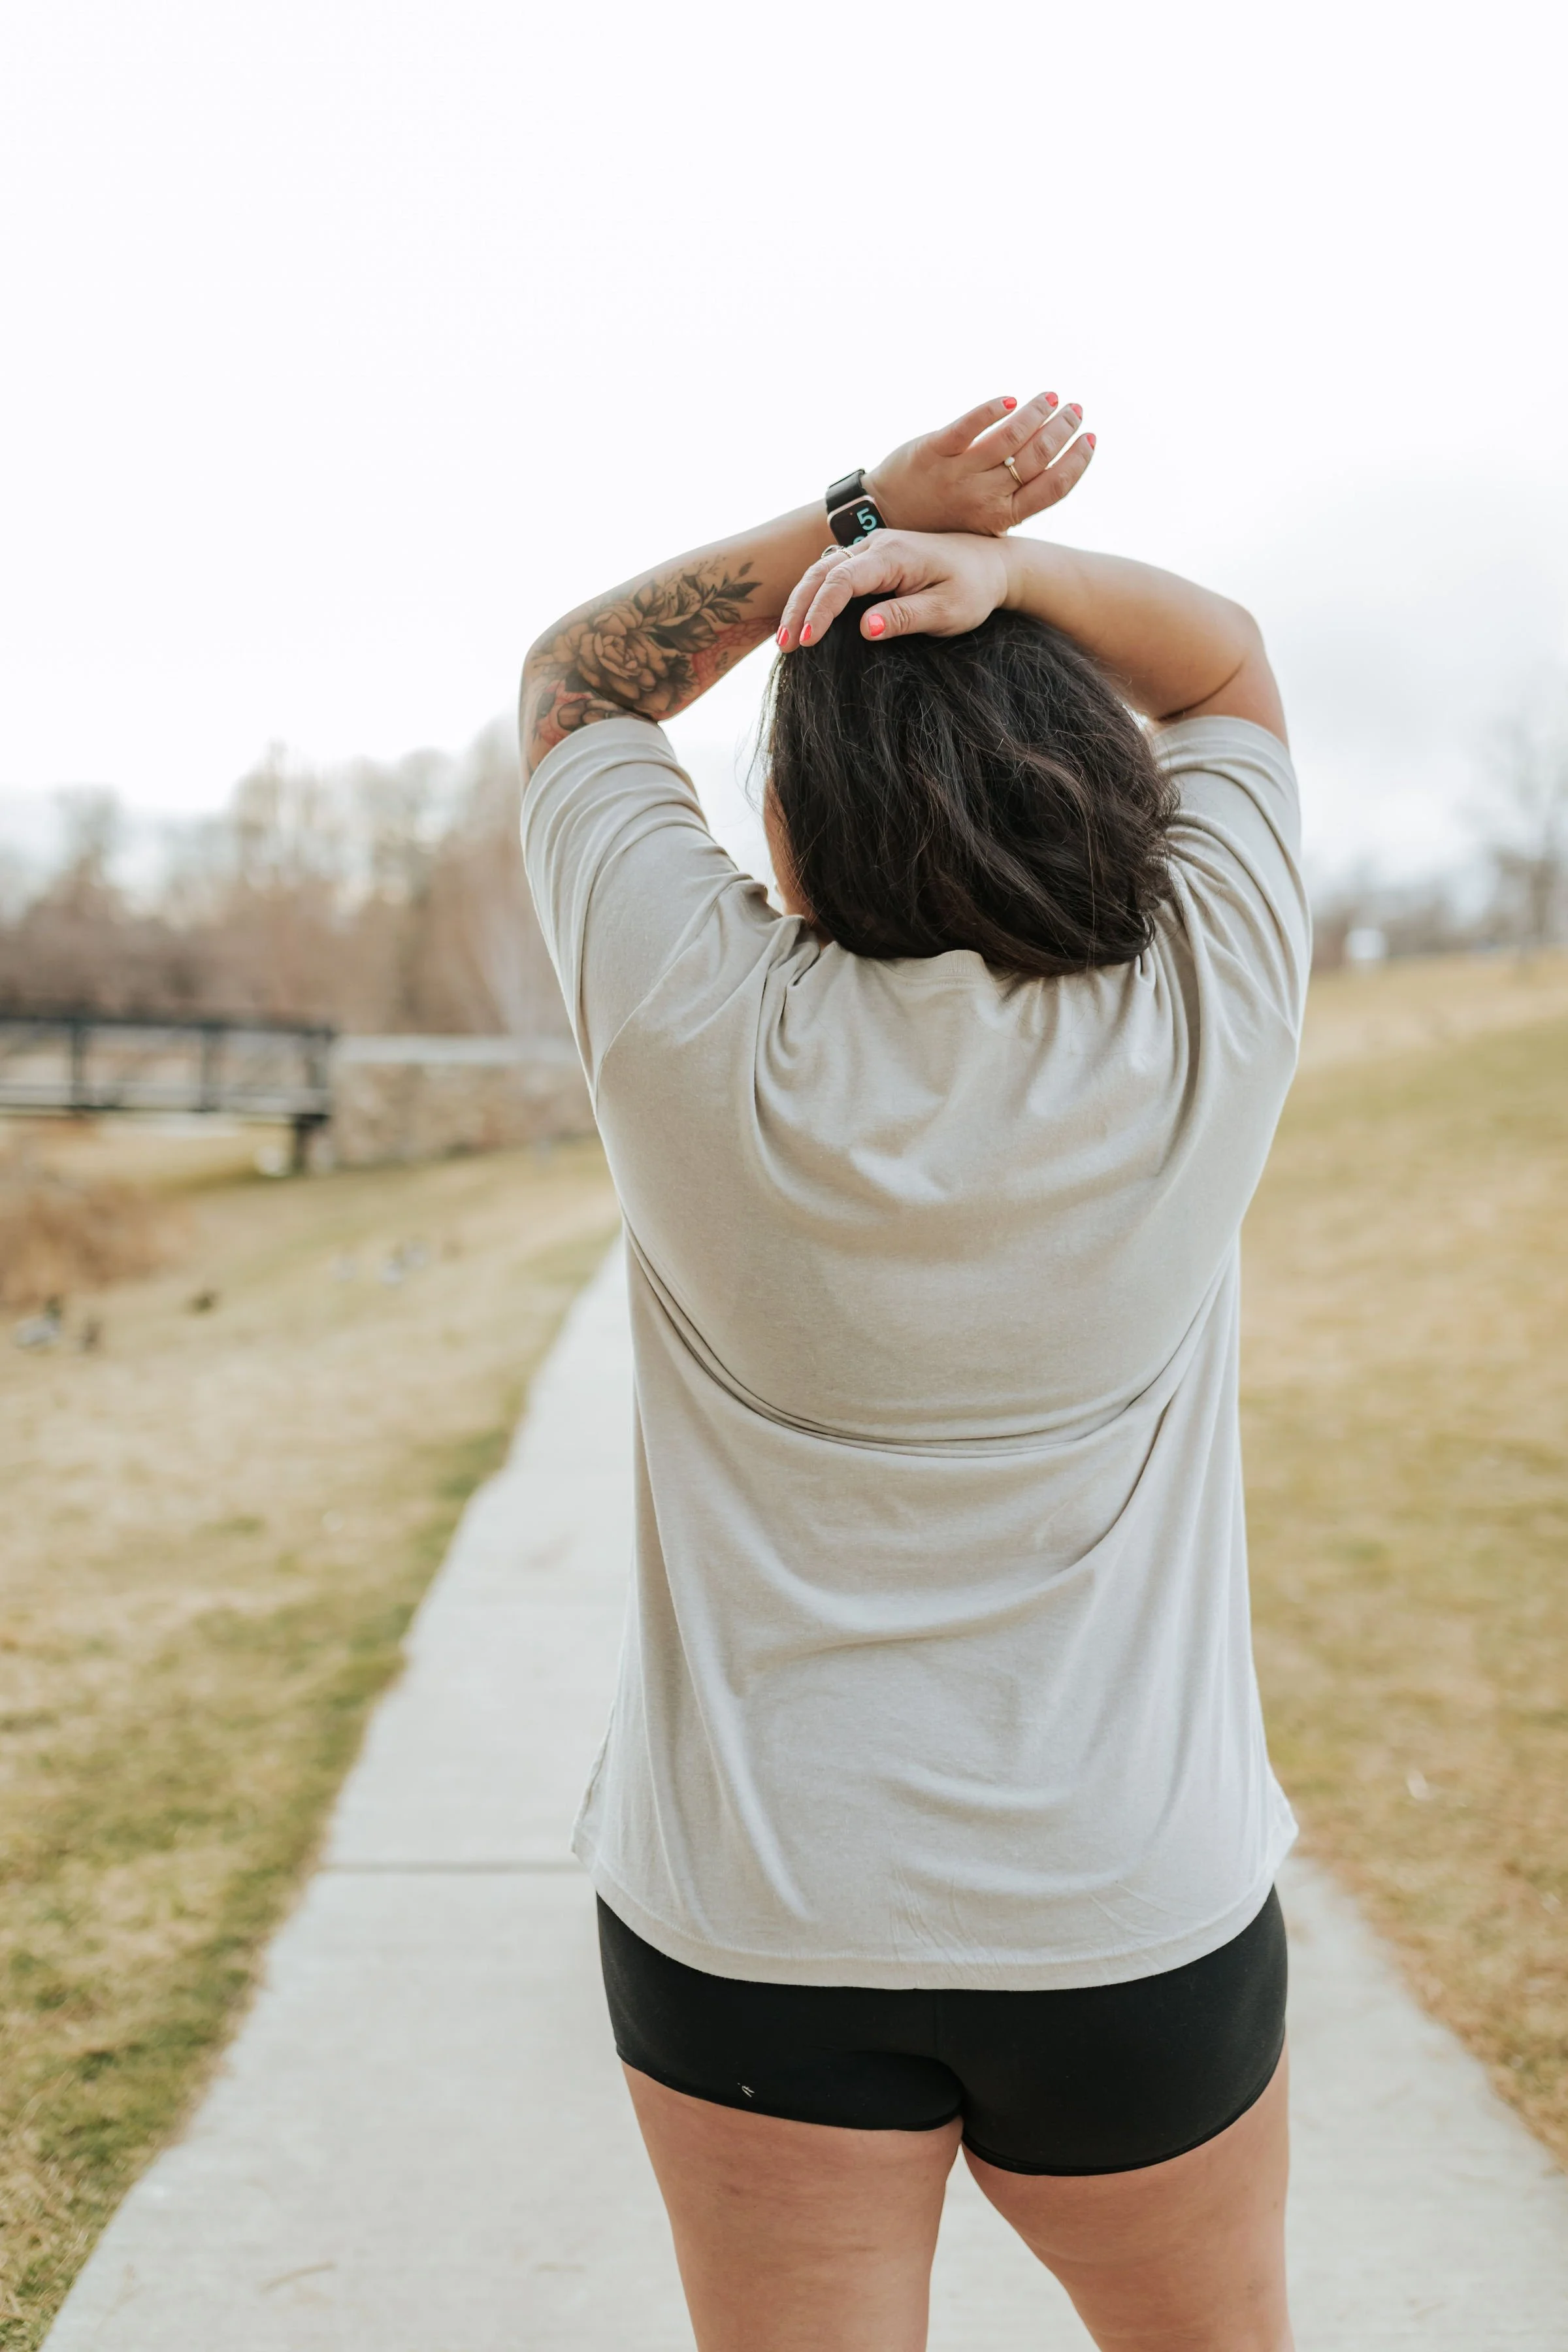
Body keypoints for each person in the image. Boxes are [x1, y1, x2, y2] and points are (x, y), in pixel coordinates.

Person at [518, 387, 1305, 2352]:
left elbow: (578, 686)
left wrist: (864, 519)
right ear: (1094, 784)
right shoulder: (1201, 1009)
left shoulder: (690, 1028)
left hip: (755, 1920)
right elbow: (1226, 666)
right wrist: (1000, 570)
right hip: (1129, 1912)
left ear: (795, 826)